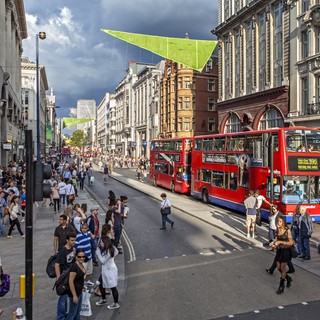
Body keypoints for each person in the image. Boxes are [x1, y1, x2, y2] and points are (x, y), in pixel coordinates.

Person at [55, 233, 77, 320]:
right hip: (64, 275)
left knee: (69, 297)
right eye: (72, 240)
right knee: (63, 298)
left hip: (71, 274)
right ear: (67, 240)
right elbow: (57, 264)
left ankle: (66, 315)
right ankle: (60, 317)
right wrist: (59, 278)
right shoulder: (63, 250)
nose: (74, 242)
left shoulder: (73, 249)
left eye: (74, 240)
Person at [270, 216, 294, 294]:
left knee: (283, 268)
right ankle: (288, 278)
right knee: (278, 268)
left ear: (283, 222)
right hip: (279, 251)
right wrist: (274, 246)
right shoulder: (277, 230)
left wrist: (281, 242)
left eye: (280, 221)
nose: (278, 223)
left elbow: (291, 243)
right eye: (277, 222)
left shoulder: (287, 231)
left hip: (286, 251)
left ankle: (281, 286)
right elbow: (276, 240)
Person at [95, 236, 120, 309]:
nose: (100, 243)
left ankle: (116, 303)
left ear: (105, 242)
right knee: (100, 284)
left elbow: (103, 261)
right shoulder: (109, 248)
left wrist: (98, 253)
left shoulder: (109, 251)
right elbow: (117, 251)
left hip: (110, 271)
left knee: (113, 287)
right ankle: (103, 299)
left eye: (101, 242)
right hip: (105, 271)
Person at [66, 249, 86, 320]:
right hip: (74, 294)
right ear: (76, 257)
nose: (82, 258)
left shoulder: (81, 264)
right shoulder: (74, 267)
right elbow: (70, 281)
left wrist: (83, 286)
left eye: (83, 257)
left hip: (79, 292)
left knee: (77, 312)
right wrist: (74, 296)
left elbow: (79, 279)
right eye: (80, 257)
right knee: (72, 314)